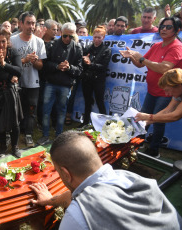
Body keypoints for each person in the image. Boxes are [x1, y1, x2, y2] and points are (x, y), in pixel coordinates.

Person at [29, 131, 182, 229]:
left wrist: (37, 226)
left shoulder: (77, 217)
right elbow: (84, 193)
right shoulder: (128, 177)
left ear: (66, 173)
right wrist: (50, 200)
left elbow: (84, 201)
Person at [120, 17, 182, 158]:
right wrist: (131, 56)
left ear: (177, 30)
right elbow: (140, 64)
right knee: (142, 119)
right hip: (152, 91)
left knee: (159, 121)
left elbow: (164, 68)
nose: (164, 29)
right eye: (162, 26)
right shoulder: (156, 45)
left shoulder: (177, 47)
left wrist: (141, 58)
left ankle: (154, 151)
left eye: (168, 27)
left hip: (167, 93)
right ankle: (137, 143)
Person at [37, 22, 83, 145]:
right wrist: (57, 66)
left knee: (62, 111)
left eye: (71, 37)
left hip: (66, 85)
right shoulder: (51, 45)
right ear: (60, 33)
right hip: (50, 83)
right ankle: (45, 135)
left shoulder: (77, 48)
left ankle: (59, 136)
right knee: (46, 110)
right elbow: (44, 64)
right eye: (65, 36)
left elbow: (79, 70)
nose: (68, 39)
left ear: (74, 35)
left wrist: (69, 68)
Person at [10, 11, 47, 147]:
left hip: (33, 83)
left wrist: (34, 61)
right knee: (15, 110)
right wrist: (24, 60)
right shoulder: (12, 40)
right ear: (21, 24)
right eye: (28, 23)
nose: (31, 26)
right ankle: (13, 135)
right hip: (15, 82)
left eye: (33, 23)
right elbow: (8, 63)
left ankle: (28, 134)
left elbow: (41, 66)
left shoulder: (39, 42)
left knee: (31, 110)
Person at [0, 28, 23, 158]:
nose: (1, 45)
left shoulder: (13, 52)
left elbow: (19, 71)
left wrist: (3, 64)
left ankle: (15, 146)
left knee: (15, 121)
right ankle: (3, 145)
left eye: (4, 41)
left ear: (7, 41)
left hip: (11, 92)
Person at [80, 26, 111, 127]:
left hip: (99, 80)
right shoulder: (87, 48)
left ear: (103, 37)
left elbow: (103, 67)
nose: (97, 40)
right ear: (92, 37)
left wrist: (90, 64)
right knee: (87, 102)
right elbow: (82, 64)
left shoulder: (107, 50)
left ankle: (105, 125)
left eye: (99, 37)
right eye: (95, 37)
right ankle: (85, 122)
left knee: (99, 102)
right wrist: (85, 62)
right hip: (87, 79)